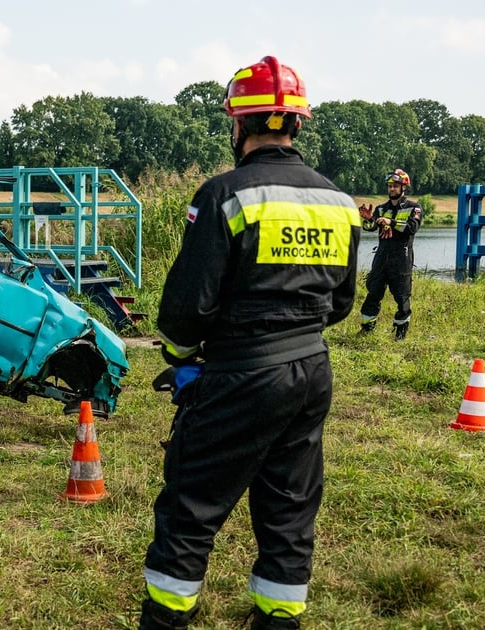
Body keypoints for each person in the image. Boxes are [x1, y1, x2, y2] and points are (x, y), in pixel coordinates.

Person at [139, 56, 361, 630]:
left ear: (237, 125)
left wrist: (183, 361)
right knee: (289, 512)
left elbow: (187, 309)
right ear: (298, 125)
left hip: (241, 374)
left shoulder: (225, 194)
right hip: (311, 371)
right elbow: (339, 304)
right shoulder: (338, 202)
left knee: (191, 511)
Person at [357, 169, 423, 340]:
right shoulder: (381, 208)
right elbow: (372, 228)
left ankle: (400, 332)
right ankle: (367, 328)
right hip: (381, 257)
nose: (391, 189)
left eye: (395, 186)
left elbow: (412, 228)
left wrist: (391, 222)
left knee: (402, 296)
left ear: (403, 188)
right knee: (373, 292)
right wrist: (368, 219)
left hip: (401, 257)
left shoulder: (413, 208)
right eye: (389, 186)